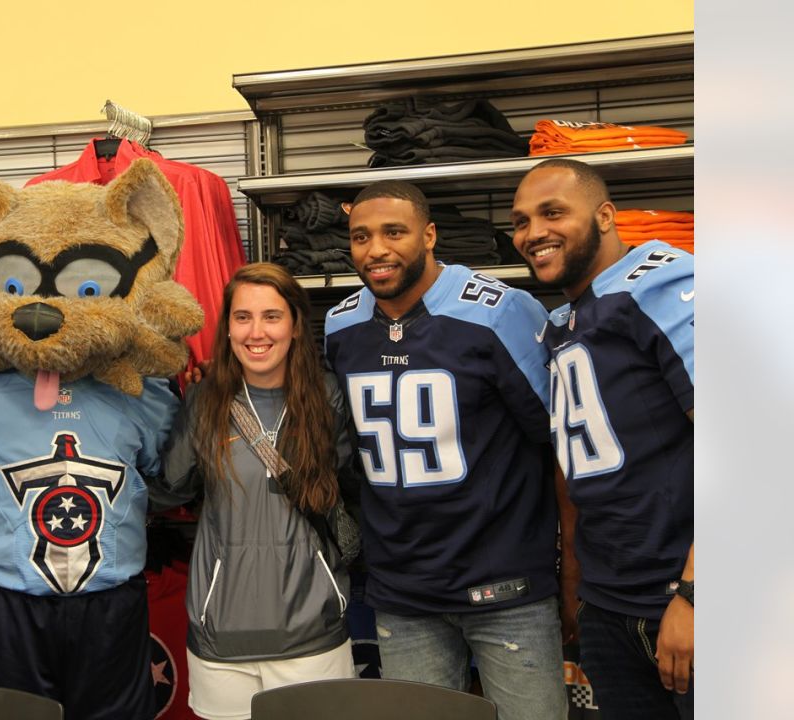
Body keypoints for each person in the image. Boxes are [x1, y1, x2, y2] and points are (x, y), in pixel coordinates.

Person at [323, 181, 568, 719]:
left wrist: (568, 570)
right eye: (361, 237)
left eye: (394, 232)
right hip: (402, 589)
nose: (376, 250)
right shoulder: (340, 325)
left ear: (429, 235)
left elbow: (556, 441)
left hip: (506, 587)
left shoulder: (500, 311)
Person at [511, 158, 693, 719]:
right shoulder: (564, 322)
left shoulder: (663, 281)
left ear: (606, 216)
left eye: (552, 212)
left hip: (681, 592)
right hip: (610, 600)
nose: (533, 232)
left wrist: (695, 594)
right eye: (520, 221)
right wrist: (576, 585)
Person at [155, 262, 359, 720]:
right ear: (226, 327)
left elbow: (352, 489)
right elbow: (168, 488)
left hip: (313, 635)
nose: (256, 331)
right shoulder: (205, 401)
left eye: (271, 316)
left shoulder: (327, 398)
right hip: (221, 636)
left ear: (295, 325)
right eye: (242, 317)